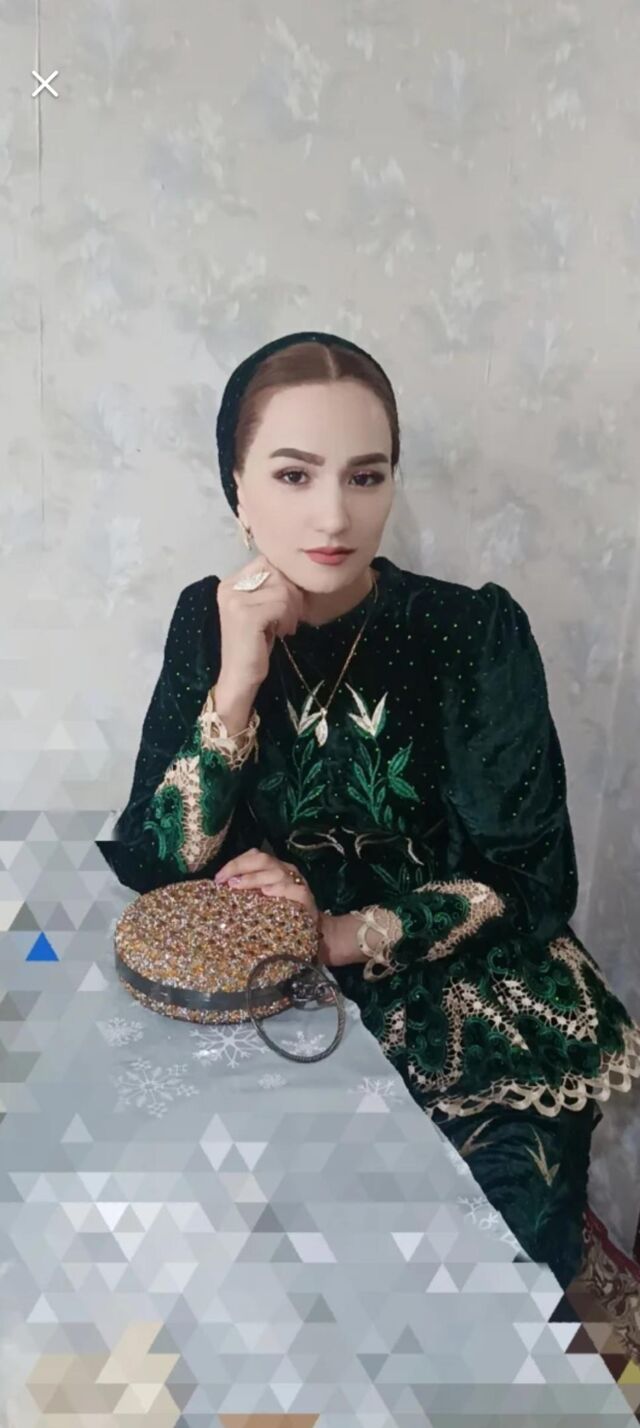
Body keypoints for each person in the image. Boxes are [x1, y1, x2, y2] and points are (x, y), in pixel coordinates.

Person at [97, 329, 640, 1290]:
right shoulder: (207, 618)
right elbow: (156, 859)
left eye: (366, 475)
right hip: (274, 991)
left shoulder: (469, 631)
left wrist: (343, 934)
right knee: (216, 1249)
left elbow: (533, 878)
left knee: (486, 1268)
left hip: (463, 993)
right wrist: (238, 678)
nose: (335, 515)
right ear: (236, 488)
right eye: (294, 475)